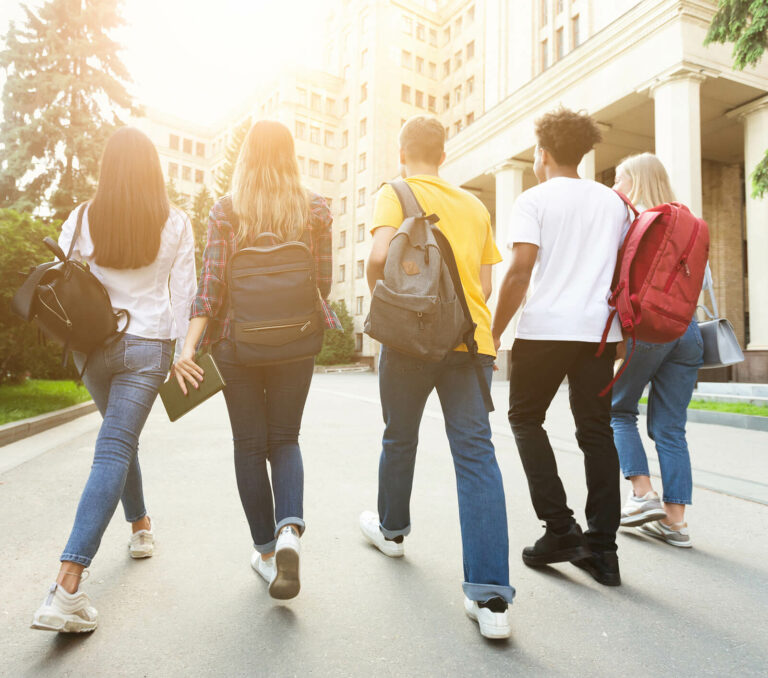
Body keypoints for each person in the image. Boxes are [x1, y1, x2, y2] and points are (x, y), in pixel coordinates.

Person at [31, 127, 197, 633]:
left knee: (117, 443)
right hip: (148, 347)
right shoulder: (176, 222)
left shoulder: (82, 217)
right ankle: (67, 586)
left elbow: (60, 278)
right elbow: (186, 294)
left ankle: (140, 526)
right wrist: (179, 352)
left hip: (92, 348)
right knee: (116, 448)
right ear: (154, 170)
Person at [360, 115, 514, 640]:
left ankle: (392, 531)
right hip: (471, 343)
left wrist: (384, 291)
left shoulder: (394, 192)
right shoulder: (475, 205)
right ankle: (491, 597)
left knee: (399, 438)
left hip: (409, 341)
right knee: (476, 457)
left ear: (402, 153)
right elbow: (486, 285)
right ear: (444, 155)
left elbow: (380, 257)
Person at [172, 121, 335, 601]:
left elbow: (212, 288)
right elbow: (321, 282)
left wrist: (187, 348)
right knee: (285, 439)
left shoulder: (227, 211)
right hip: (296, 341)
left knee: (249, 445)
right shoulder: (315, 209)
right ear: (290, 156)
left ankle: (266, 552)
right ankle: (290, 531)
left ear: (244, 157)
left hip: (235, 344)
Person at [492, 107, 631, 587]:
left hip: (546, 329)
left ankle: (560, 529)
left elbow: (519, 270)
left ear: (543, 153)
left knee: (525, 419)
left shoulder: (533, 201)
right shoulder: (614, 202)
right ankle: (604, 550)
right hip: (599, 333)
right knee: (597, 432)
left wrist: (493, 333)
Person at [610, 153, 704, 548]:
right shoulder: (690, 225)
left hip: (648, 329)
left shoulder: (634, 222)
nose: (615, 187)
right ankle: (675, 524)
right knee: (670, 427)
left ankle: (642, 492)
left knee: (617, 409)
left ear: (633, 181)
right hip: (688, 331)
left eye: (619, 178)